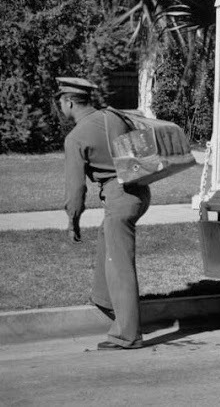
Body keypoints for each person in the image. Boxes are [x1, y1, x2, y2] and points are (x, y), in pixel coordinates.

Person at [57, 77, 151, 350]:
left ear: (69, 102)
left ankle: (127, 336)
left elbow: (75, 190)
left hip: (119, 198)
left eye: (61, 103)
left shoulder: (75, 137)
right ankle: (105, 301)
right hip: (140, 192)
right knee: (106, 241)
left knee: (120, 264)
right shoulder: (113, 118)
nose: (61, 108)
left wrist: (72, 220)